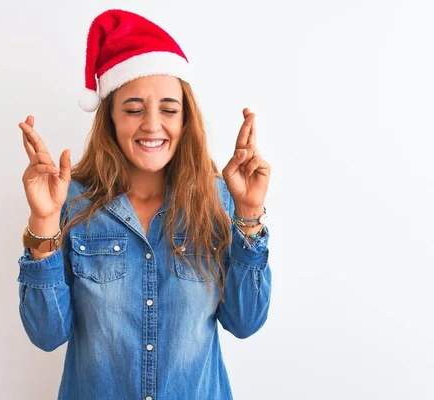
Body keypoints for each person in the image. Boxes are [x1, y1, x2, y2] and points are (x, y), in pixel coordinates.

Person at [16, 9, 272, 400]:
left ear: (185, 121)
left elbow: (244, 321)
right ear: (111, 120)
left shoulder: (218, 200)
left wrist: (249, 215)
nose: (152, 125)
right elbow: (47, 334)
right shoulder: (73, 203)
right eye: (134, 109)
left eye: (169, 110)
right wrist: (45, 218)